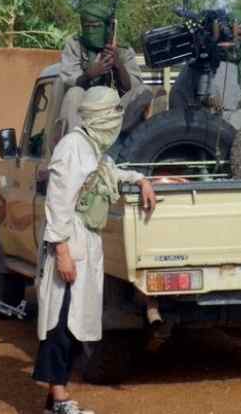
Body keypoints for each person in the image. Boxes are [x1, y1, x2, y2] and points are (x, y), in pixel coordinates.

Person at [32, 86, 157, 414]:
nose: (117, 119)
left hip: (87, 241)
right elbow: (58, 202)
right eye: (114, 113)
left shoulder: (94, 148)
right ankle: (58, 401)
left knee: (76, 325)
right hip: (70, 241)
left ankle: (55, 398)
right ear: (101, 116)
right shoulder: (72, 147)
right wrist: (61, 250)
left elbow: (111, 175)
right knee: (60, 323)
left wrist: (141, 180)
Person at [59, 3, 153, 135]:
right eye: (87, 26)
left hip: (115, 113)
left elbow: (132, 87)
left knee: (145, 91)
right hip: (84, 114)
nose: (91, 30)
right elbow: (68, 82)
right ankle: (76, 141)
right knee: (74, 92)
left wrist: (118, 64)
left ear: (108, 28)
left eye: (96, 26)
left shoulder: (123, 50)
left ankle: (118, 137)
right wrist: (90, 74)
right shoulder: (74, 46)